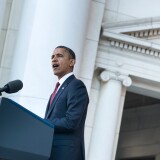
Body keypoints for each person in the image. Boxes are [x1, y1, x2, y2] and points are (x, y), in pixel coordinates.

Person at [45, 46, 89, 160]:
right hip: (49, 152)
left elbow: (71, 121)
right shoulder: (55, 91)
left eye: (59, 56)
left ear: (72, 62)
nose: (54, 59)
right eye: (52, 57)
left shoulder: (76, 85)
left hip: (66, 153)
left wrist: (43, 122)